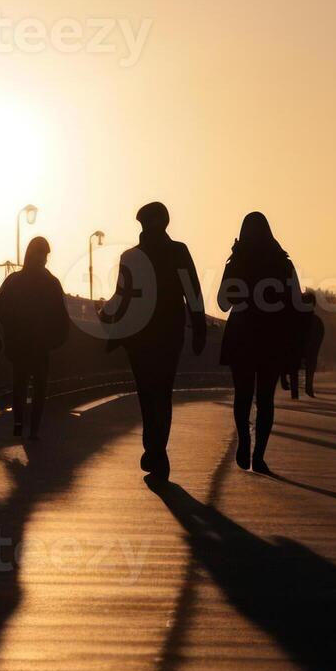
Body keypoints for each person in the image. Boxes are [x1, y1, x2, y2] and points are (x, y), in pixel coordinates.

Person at [102, 202, 206, 479]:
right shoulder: (179, 252)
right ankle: (158, 450)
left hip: (139, 337)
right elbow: (192, 292)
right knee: (163, 392)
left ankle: (153, 448)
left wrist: (106, 316)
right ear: (166, 222)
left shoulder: (131, 256)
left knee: (147, 393)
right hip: (170, 333)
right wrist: (199, 328)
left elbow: (122, 297)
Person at [217, 212, 305, 473]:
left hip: (241, 337)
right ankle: (259, 456)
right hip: (272, 338)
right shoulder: (283, 263)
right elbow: (298, 304)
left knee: (242, 395)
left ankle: (243, 441)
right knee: (265, 399)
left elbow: (223, 304)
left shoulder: (235, 263)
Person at [0, 236, 70, 441]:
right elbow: (62, 316)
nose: (45, 259)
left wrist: (9, 333)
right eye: (43, 254)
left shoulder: (13, 281)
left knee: (19, 386)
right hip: (41, 346)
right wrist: (55, 339)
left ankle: (19, 426)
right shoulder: (52, 283)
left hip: (19, 344)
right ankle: (34, 431)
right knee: (39, 388)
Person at [285, 289, 327, 399]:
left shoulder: (294, 321)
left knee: (294, 364)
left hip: (299, 348)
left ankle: (296, 392)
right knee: (310, 361)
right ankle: (308, 388)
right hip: (307, 348)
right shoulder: (317, 323)